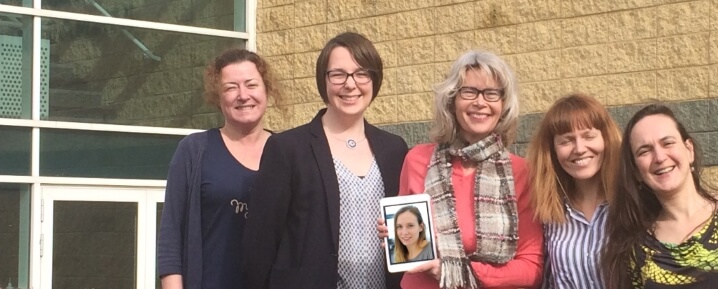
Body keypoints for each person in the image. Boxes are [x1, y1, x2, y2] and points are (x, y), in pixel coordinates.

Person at [242, 32, 408, 289]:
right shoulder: (287, 149)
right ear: (324, 80)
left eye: (361, 73)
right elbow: (260, 242)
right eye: (338, 74)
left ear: (374, 80)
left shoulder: (394, 149)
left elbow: (408, 231)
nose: (350, 84)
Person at [381, 50, 544, 289]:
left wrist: (449, 271)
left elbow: (531, 269)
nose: (480, 102)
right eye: (469, 92)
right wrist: (395, 236)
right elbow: (409, 250)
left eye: (492, 94)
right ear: (452, 100)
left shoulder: (522, 172)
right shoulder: (417, 160)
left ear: (503, 104)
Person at [157, 48, 280, 289]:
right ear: (218, 96)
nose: (243, 95)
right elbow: (171, 239)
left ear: (266, 90)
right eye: (231, 87)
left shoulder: (288, 153)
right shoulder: (194, 150)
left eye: (251, 85)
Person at [602, 104, 718, 289]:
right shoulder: (635, 248)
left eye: (668, 143)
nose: (659, 157)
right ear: (636, 172)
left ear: (689, 150)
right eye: (644, 151)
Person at [527, 94, 621, 289]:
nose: (579, 148)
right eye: (566, 140)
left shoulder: (631, 202)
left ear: (606, 139)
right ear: (552, 150)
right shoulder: (546, 214)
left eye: (588, 136)